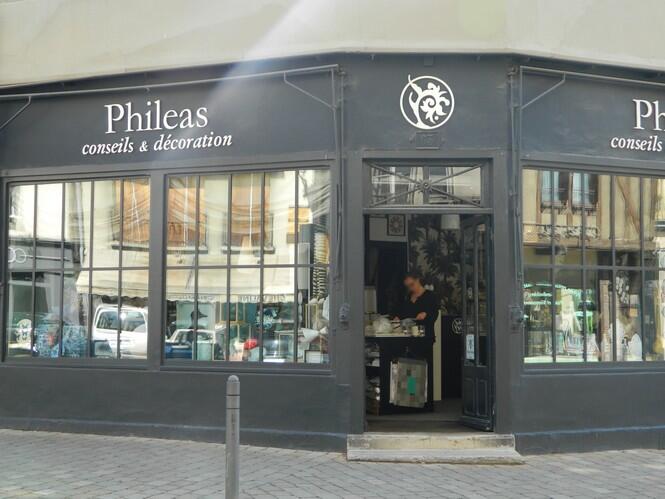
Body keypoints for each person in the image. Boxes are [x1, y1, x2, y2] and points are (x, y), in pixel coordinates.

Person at [393, 273, 439, 339]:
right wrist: (398, 318)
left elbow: (434, 313)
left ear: (418, 280)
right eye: (408, 286)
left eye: (412, 284)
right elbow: (404, 313)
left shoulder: (430, 296)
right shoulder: (408, 297)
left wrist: (426, 314)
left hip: (425, 337)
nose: (410, 288)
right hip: (409, 336)